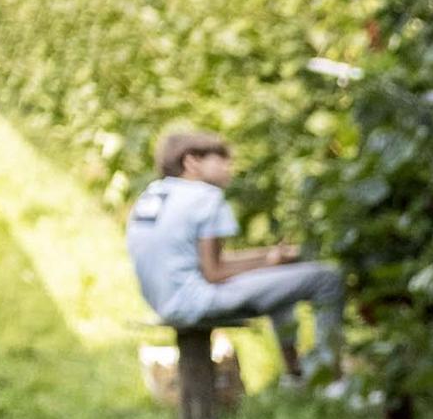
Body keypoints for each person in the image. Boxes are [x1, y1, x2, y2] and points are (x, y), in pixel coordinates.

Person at [125, 127, 349, 385]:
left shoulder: (152, 195)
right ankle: (333, 380)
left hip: (164, 302)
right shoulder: (205, 197)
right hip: (195, 302)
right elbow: (214, 273)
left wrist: (268, 258)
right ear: (191, 162)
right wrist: (267, 262)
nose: (228, 168)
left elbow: (204, 265)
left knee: (279, 288)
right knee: (328, 277)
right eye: (221, 160)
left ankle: (296, 376)